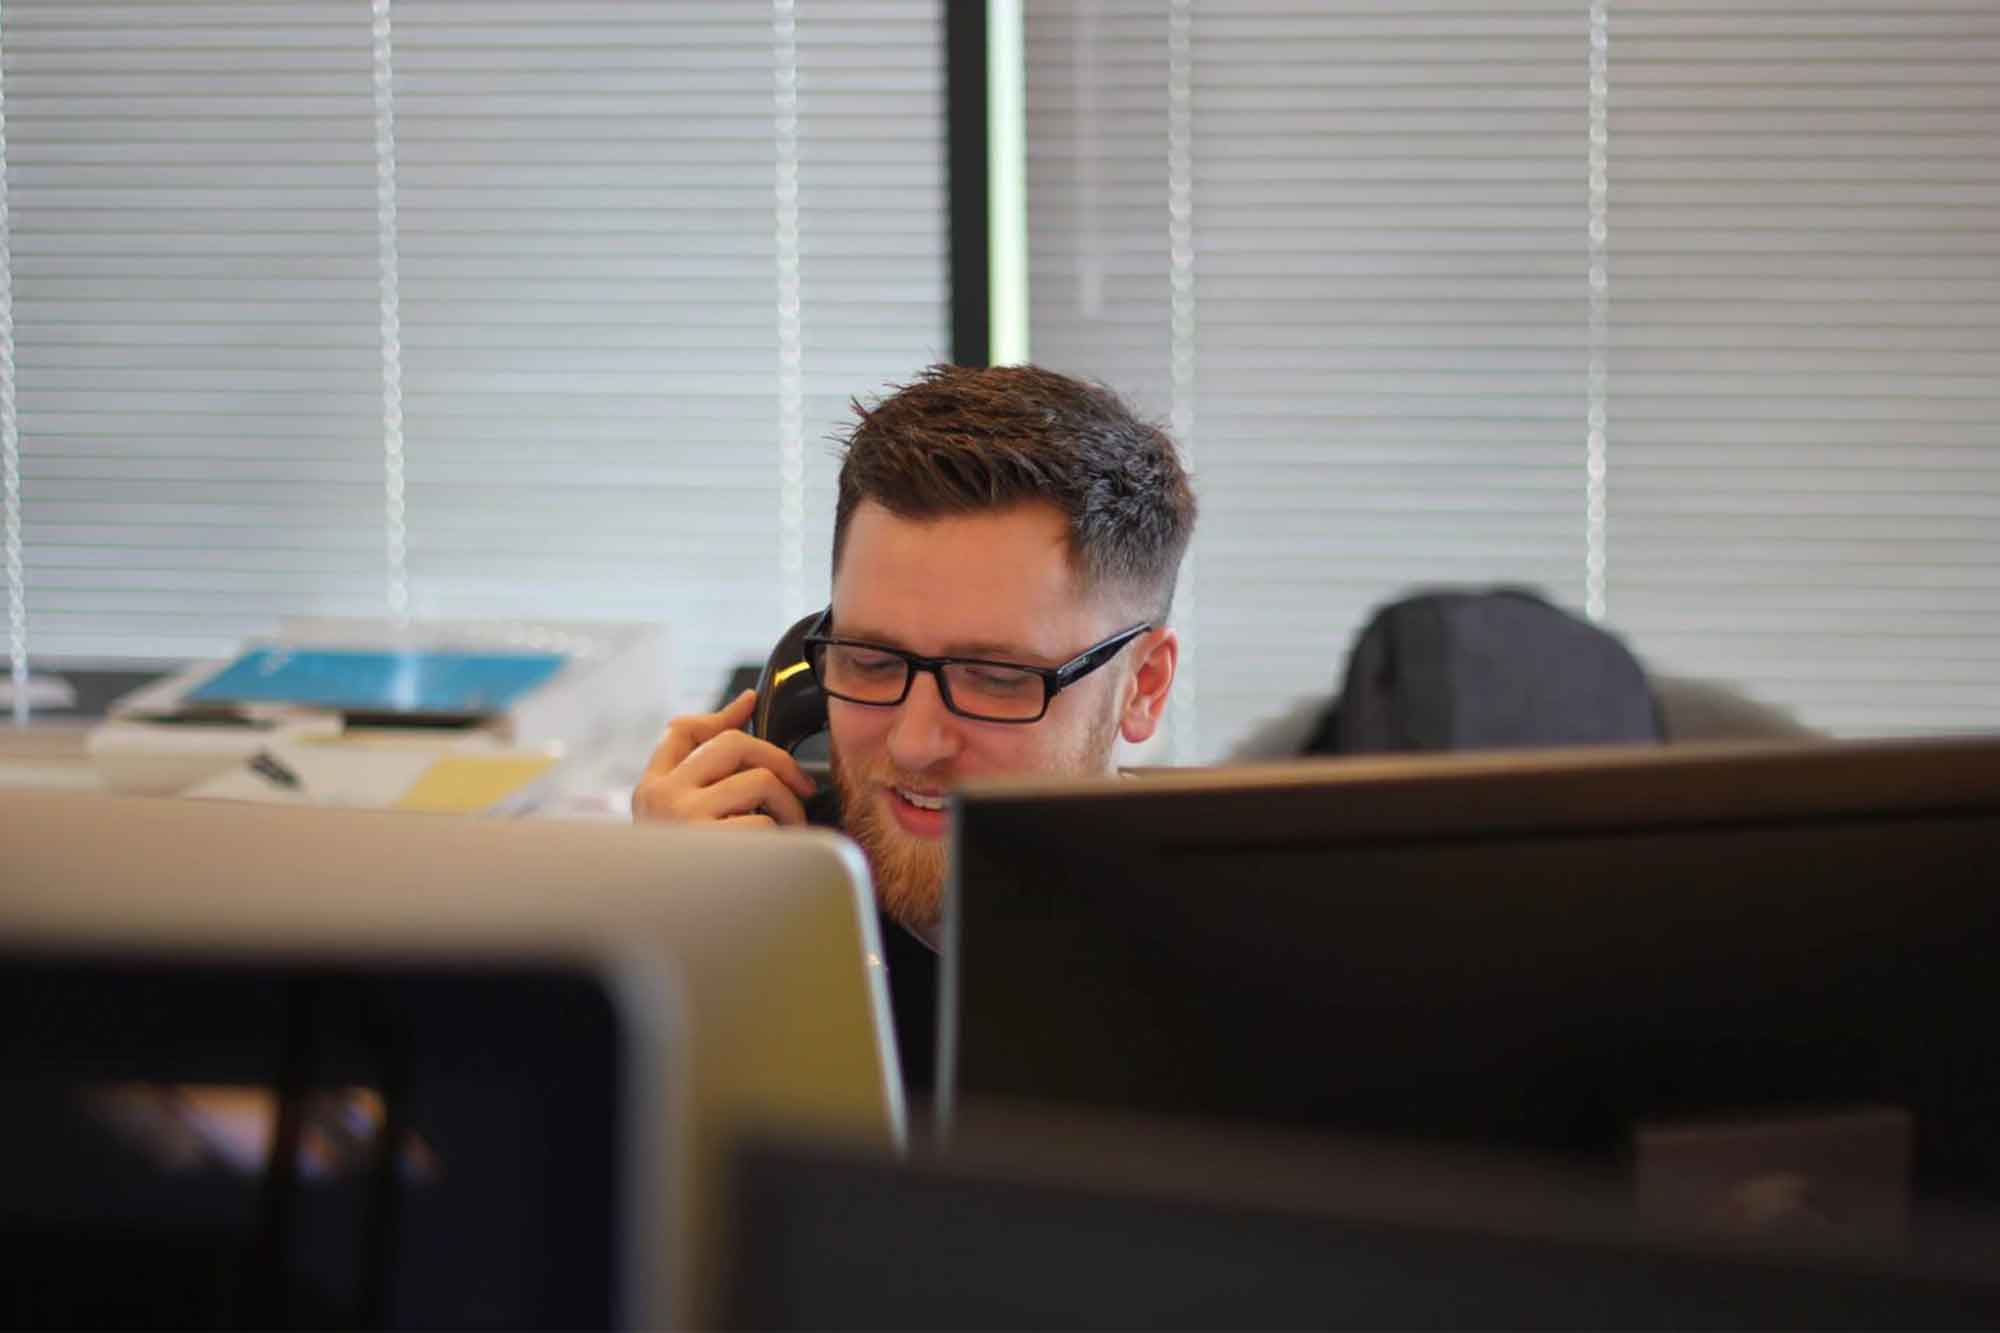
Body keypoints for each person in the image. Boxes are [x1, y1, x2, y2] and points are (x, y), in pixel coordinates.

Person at [631, 363, 1196, 1098]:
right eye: (869, 660)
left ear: (1143, 686)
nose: (913, 743)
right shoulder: (743, 909)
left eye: (995, 677)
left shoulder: (1227, 983)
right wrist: (657, 939)